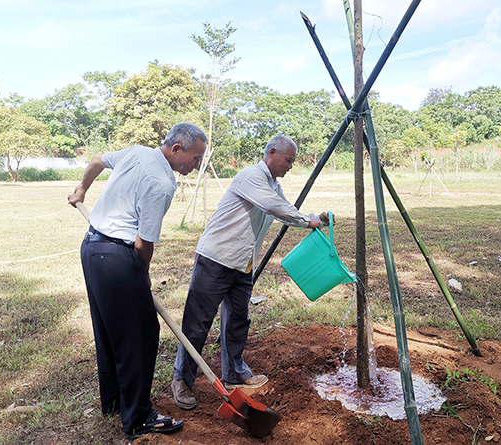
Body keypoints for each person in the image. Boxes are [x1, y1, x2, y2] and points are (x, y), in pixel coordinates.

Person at [68, 122, 207, 440]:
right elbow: (144, 244)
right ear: (176, 150)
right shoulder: (162, 183)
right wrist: (139, 277)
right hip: (117, 258)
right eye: (195, 158)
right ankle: (139, 417)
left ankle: (116, 402)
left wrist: (82, 190)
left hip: (91, 248)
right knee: (140, 334)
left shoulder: (136, 152)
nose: (196, 164)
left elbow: (96, 162)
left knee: (109, 330)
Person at [171, 135, 328, 410]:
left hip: (243, 263)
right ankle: (182, 380)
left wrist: (313, 219)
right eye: (288, 160)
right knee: (197, 323)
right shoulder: (251, 176)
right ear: (271, 152)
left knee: (237, 320)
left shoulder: (272, 184)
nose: (291, 166)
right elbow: (272, 206)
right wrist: (307, 220)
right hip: (216, 258)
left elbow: (282, 211)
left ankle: (233, 373)